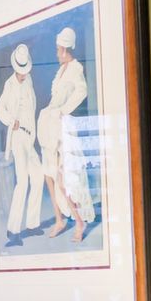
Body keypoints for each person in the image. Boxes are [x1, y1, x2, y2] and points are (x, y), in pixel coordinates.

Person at [37, 26, 94, 241]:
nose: (56, 52)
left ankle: (79, 221)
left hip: (63, 126)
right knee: (48, 173)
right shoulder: (61, 70)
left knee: (63, 179)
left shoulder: (75, 68)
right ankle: (59, 219)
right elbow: (55, 99)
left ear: (63, 49)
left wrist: (64, 110)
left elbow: (82, 91)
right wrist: (52, 112)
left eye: (57, 49)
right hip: (50, 124)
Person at [0, 43, 43, 245]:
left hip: (29, 137)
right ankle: (12, 231)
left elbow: (31, 106)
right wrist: (10, 120)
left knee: (38, 176)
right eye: (21, 71)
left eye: (25, 70)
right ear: (15, 67)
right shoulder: (10, 85)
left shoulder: (28, 79)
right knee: (22, 181)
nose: (23, 74)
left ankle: (32, 224)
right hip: (18, 137)